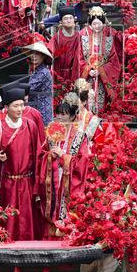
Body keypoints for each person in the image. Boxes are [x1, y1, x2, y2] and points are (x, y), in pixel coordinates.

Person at [0, 85, 47, 241]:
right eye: (16, 106)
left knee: (28, 221)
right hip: (7, 184)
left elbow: (39, 154)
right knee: (8, 222)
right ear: (6, 107)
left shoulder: (30, 126)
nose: (20, 109)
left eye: (22, 105)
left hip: (27, 183)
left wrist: (40, 180)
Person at [43, 101, 92, 236]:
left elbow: (83, 161)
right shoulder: (51, 132)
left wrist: (63, 156)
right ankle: (51, 234)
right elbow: (41, 153)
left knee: (66, 209)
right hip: (53, 177)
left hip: (68, 179)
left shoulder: (80, 136)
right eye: (57, 114)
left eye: (63, 114)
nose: (59, 117)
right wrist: (50, 156)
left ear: (72, 116)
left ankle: (67, 234)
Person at [78, 6, 122, 113]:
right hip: (88, 76)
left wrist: (101, 70)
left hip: (103, 77)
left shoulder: (108, 36)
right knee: (87, 100)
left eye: (99, 24)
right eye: (94, 24)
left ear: (103, 23)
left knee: (102, 103)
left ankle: (102, 117)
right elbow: (78, 57)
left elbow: (113, 60)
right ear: (90, 24)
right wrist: (88, 69)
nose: (97, 26)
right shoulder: (82, 35)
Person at [49, 8, 82, 90]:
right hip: (59, 72)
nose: (68, 21)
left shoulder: (79, 37)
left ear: (74, 20)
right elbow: (50, 53)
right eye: (66, 19)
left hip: (75, 72)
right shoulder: (56, 37)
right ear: (61, 22)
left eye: (70, 18)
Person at [23, 41, 54, 126]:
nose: (34, 56)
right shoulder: (36, 70)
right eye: (32, 53)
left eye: (37, 54)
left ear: (43, 56)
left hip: (42, 111)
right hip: (36, 109)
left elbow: (29, 88)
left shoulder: (43, 72)